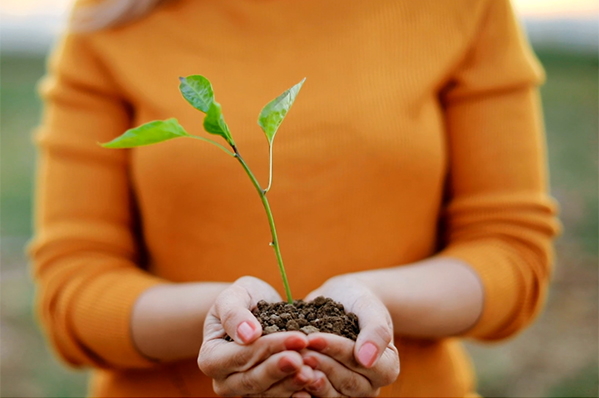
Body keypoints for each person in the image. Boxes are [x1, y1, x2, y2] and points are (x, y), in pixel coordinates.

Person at [29, 0, 560, 396]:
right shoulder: (113, 20)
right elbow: (74, 290)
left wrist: (365, 307)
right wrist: (227, 322)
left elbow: (511, 253)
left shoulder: (462, 10)